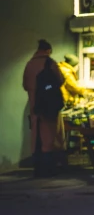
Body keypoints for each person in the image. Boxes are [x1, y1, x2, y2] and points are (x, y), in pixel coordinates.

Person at [22, 40, 66, 177]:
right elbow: (60, 80)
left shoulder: (29, 64)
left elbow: (25, 85)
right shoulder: (50, 63)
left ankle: (38, 169)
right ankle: (49, 169)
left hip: (35, 107)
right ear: (48, 50)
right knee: (50, 137)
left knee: (36, 137)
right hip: (49, 106)